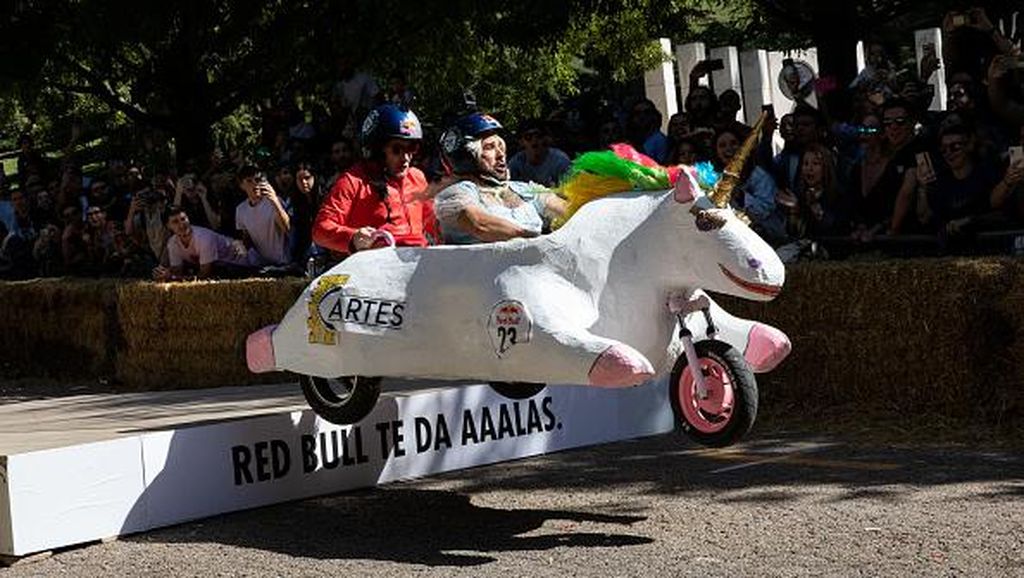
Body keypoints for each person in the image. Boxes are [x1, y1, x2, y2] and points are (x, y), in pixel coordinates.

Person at [312, 103, 436, 257]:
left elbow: (434, 224)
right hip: (374, 270)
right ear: (377, 149)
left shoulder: (417, 177)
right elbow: (320, 230)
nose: (406, 157)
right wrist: (353, 237)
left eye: (412, 148)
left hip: (415, 266)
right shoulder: (352, 181)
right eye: (397, 149)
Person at [435, 112, 566, 244]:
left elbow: (569, 213)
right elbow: (480, 225)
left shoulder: (524, 189)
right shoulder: (454, 195)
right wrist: (538, 242)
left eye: (500, 146)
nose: (500, 154)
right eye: (489, 147)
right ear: (467, 158)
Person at [153, 205, 256, 281]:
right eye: (175, 222)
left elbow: (204, 276)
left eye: (183, 219)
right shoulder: (172, 243)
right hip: (220, 267)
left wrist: (172, 277)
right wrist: (164, 274)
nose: (182, 225)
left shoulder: (203, 238)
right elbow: (177, 271)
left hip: (241, 266)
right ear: (168, 226)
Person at [235, 165, 291, 266]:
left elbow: (287, 229)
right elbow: (246, 238)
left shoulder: (273, 201)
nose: (255, 184)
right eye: (249, 181)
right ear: (241, 185)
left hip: (283, 262)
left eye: (257, 180)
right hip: (261, 264)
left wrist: (275, 201)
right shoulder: (240, 210)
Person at [508, 119, 572, 187]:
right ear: (521, 142)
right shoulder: (516, 164)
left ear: (546, 139)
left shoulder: (560, 162)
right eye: (528, 137)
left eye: (538, 136)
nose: (534, 141)